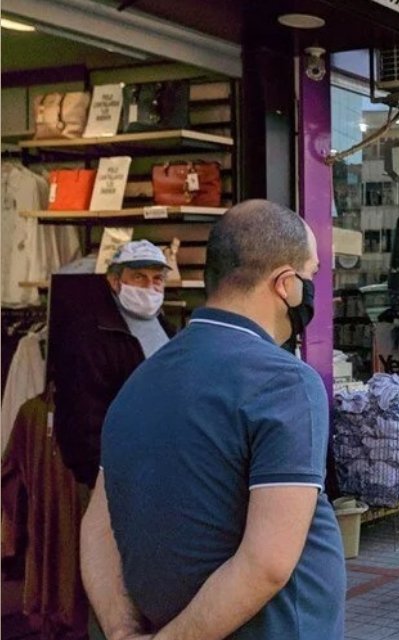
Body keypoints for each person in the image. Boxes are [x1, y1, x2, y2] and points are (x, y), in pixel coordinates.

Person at [82, 200, 345, 639]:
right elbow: (268, 563)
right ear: (285, 284)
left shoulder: (142, 379)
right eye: (311, 275)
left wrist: (121, 629)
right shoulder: (285, 384)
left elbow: (97, 526)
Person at [52, 241, 175, 488]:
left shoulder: (168, 329)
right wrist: (99, 477)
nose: (149, 287)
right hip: (114, 475)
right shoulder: (90, 336)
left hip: (159, 469)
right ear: (114, 281)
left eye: (157, 279)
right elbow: (82, 414)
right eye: (139, 277)